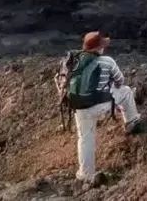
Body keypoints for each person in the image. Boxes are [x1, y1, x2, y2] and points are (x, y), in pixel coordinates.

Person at [55, 31, 142, 184]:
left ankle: (86, 174)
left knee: (85, 138)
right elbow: (120, 81)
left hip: (80, 107)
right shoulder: (107, 61)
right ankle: (131, 122)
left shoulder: (73, 61)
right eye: (102, 45)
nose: (104, 48)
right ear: (98, 48)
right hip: (103, 105)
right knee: (126, 91)